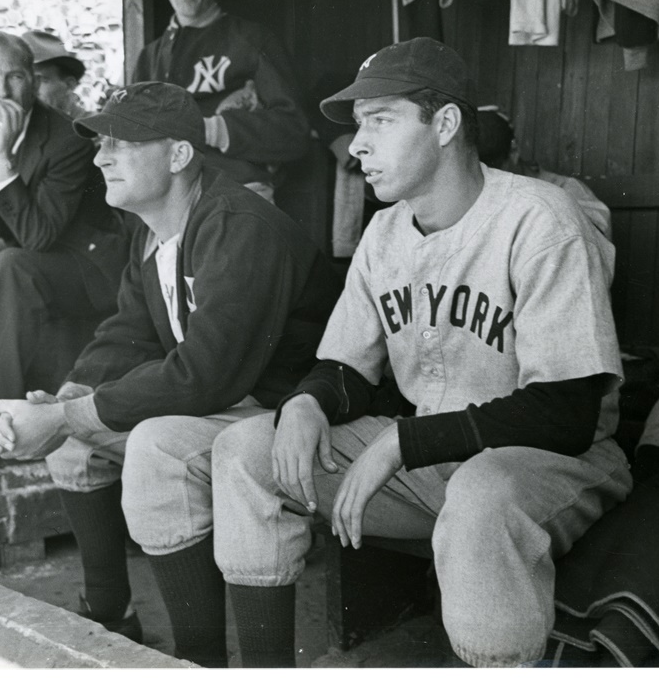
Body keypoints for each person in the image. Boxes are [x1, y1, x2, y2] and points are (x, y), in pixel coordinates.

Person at [210, 38, 633, 668]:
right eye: (358, 126)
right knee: (245, 449)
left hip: (552, 463)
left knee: (482, 497)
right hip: (434, 458)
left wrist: (400, 444)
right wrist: (305, 402)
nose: (356, 146)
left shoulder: (541, 218)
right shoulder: (384, 231)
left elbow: (567, 413)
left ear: (445, 124)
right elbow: (347, 366)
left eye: (380, 121)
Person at [0, 82, 343, 665]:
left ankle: (201, 660)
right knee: (71, 443)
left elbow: (206, 373)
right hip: (233, 399)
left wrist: (61, 415)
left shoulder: (238, 222)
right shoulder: (152, 230)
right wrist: (67, 399)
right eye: (101, 145)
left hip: (296, 408)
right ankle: (111, 615)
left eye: (120, 144)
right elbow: (129, 332)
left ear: (178, 155)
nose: (100, 157)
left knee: (151, 444)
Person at [0, 32, 129, 465]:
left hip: (91, 269)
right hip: (43, 264)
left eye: (14, 77)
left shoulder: (67, 139)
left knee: (12, 262)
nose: (2, 90)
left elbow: (40, 236)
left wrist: (2, 160)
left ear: (31, 80)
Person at [135, 0, 310, 201]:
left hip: (237, 190)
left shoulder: (253, 40)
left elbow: (294, 132)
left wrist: (212, 129)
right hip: (167, 197)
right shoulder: (149, 57)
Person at [477, 105, 612, 239]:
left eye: (496, 170)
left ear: (513, 150)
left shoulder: (567, 188)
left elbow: (593, 243)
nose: (490, 178)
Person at [22, 30, 89, 119]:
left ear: (69, 85)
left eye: (39, 79)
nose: (28, 90)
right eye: (20, 79)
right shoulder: (19, 128)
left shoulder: (93, 128)